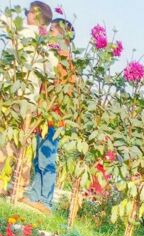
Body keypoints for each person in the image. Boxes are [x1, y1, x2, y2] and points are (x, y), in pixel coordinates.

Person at [0, 2, 54, 195]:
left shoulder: (24, 31)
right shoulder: (46, 45)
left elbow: (5, 21)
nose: (25, 15)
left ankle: (2, 183)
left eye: (27, 12)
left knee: (5, 138)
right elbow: (51, 73)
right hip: (30, 99)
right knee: (22, 142)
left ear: (35, 15)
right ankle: (18, 188)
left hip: (12, 95)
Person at [21, 17, 75, 211]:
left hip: (53, 119)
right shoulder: (51, 56)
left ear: (64, 36)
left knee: (47, 159)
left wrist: (47, 112)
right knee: (39, 158)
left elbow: (63, 94)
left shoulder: (65, 62)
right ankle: (35, 195)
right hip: (43, 117)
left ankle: (46, 201)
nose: (49, 33)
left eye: (52, 31)